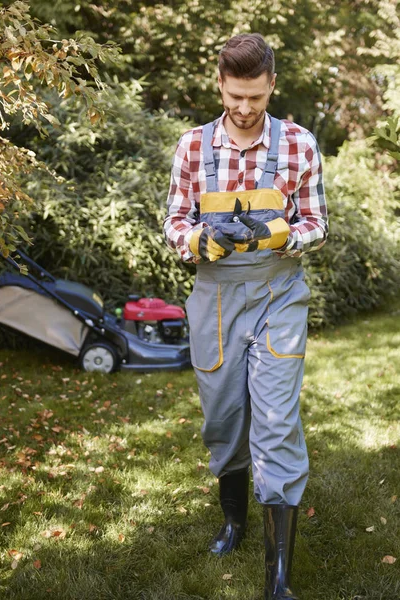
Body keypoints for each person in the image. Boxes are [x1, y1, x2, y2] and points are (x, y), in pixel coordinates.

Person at [163, 33, 328, 600]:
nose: (244, 108)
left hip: (278, 293)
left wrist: (284, 234)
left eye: (255, 97)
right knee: (224, 418)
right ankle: (233, 520)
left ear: (271, 86)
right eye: (235, 96)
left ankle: (276, 573)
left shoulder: (299, 145)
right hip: (214, 299)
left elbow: (318, 223)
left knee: (277, 418)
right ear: (220, 84)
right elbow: (173, 223)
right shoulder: (192, 148)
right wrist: (197, 241)